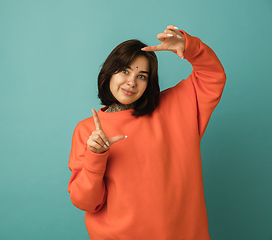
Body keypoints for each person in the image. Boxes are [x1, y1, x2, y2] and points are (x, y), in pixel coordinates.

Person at [67, 25, 226, 240]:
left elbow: (212, 76)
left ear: (148, 83)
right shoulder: (88, 130)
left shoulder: (176, 106)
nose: (131, 82)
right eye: (125, 71)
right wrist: (96, 156)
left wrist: (191, 48)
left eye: (142, 76)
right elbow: (86, 203)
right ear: (109, 72)